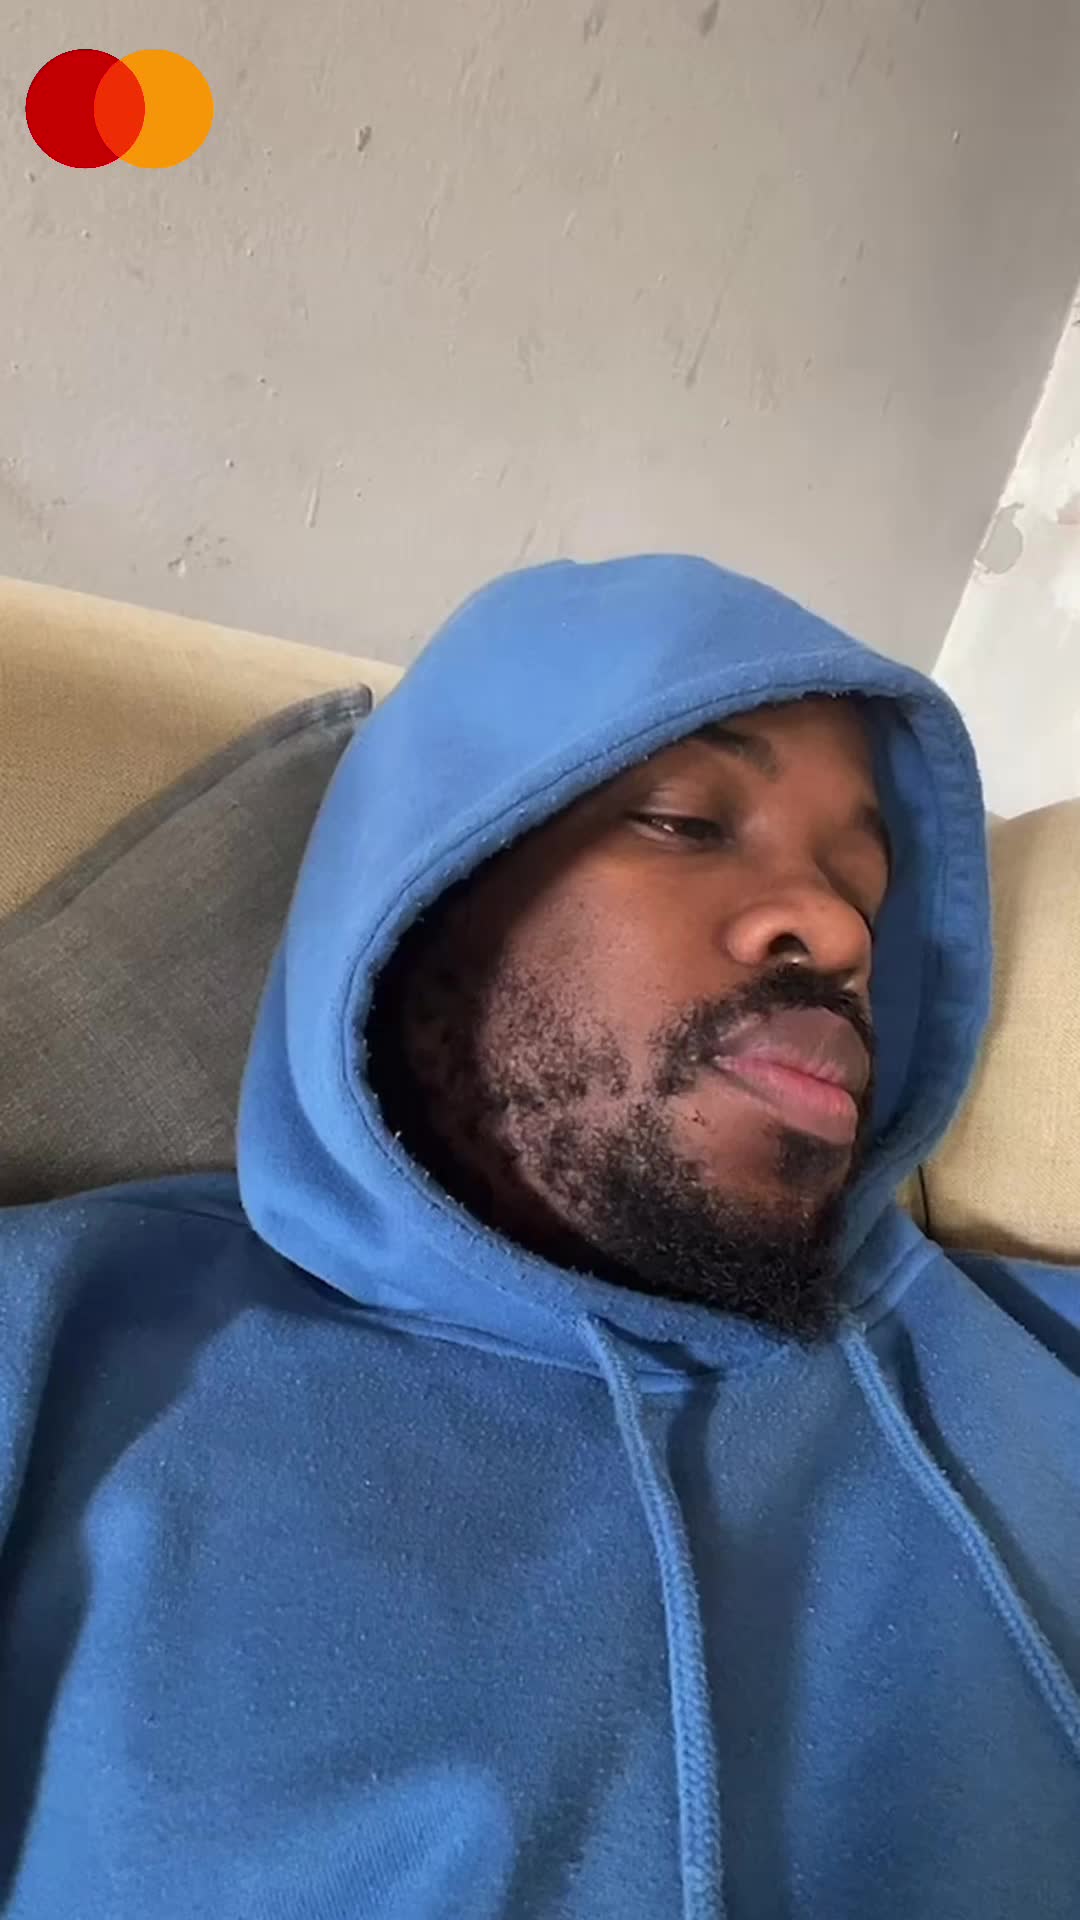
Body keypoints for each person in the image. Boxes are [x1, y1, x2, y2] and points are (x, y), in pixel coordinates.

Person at [1, 553, 1078, 1920]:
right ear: (424, 890)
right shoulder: (49, 1339)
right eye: (688, 821)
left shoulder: (1038, 1361)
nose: (835, 929)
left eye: (864, 887)